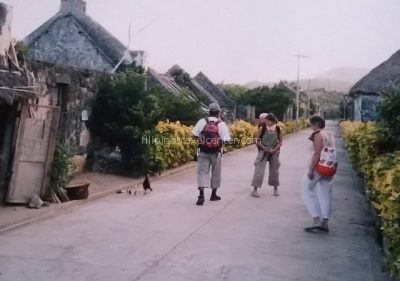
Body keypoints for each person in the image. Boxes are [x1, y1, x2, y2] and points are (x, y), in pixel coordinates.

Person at [192, 103, 231, 206]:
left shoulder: (202, 121)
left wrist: (202, 141)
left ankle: (201, 195)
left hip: (203, 151)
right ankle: (213, 195)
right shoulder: (221, 124)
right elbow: (226, 140)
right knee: (216, 173)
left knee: (202, 173)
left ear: (209, 112)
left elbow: (194, 135)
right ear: (218, 112)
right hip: (216, 153)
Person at [302, 115, 334, 233]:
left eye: (311, 124)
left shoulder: (317, 134)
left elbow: (317, 153)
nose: (310, 126)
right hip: (327, 167)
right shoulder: (329, 135)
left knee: (307, 191)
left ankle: (316, 220)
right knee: (325, 193)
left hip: (317, 167)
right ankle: (325, 222)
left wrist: (310, 169)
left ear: (316, 124)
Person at [250, 113, 282, 198]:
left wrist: (274, 149)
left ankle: (275, 189)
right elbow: (256, 140)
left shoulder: (278, 129)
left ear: (273, 121)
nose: (266, 122)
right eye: (266, 121)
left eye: (268, 121)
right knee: (259, 170)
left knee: (274, 171)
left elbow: (281, 142)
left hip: (274, 152)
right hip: (263, 151)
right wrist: (263, 148)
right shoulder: (262, 128)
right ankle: (255, 190)